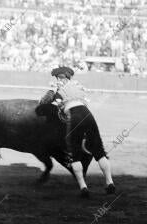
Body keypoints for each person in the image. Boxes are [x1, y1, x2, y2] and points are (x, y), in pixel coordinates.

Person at [38, 66, 115, 197]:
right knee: (99, 151)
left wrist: (52, 90)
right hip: (88, 115)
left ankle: (83, 187)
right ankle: (110, 182)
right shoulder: (78, 85)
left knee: (74, 154)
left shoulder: (57, 88)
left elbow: (43, 103)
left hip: (73, 117)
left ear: (58, 77)